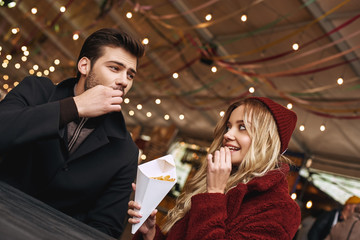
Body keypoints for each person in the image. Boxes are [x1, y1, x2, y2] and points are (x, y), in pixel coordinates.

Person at [0, 28, 145, 238]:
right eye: (115, 68)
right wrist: (74, 107)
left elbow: (105, 229)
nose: (124, 81)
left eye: (130, 74)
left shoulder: (126, 151)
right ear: (84, 65)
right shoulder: (37, 91)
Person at [128, 97, 301, 240]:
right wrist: (151, 235)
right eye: (228, 126)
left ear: (267, 141)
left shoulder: (281, 209)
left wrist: (214, 195)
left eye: (242, 127)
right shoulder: (219, 182)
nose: (227, 135)